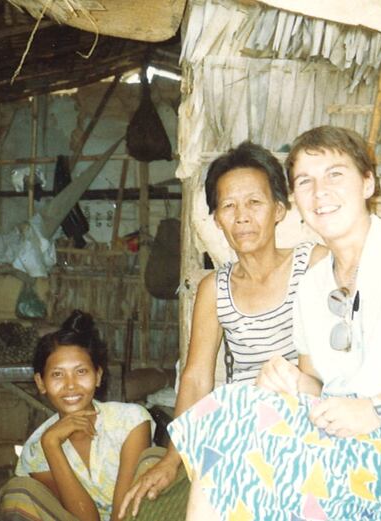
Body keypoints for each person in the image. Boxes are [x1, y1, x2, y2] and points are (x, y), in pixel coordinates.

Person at [168, 126, 381, 520]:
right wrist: (291, 383)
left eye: (334, 174)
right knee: (234, 406)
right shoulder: (312, 286)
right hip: (350, 433)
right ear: (296, 199)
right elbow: (317, 387)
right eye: (305, 181)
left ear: (367, 182)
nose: (319, 192)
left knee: (262, 466)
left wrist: (374, 411)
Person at [120, 142, 325, 518]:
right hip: (239, 422)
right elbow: (196, 379)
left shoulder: (312, 264)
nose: (241, 217)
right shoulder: (214, 289)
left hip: (304, 415)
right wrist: (171, 458)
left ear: (279, 209)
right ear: (216, 218)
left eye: (254, 203)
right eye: (228, 206)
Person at [0, 310, 154, 521]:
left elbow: (123, 514)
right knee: (19, 493)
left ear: (98, 376)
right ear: (40, 383)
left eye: (81, 372)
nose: (70, 385)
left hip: (136, 518)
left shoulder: (130, 421)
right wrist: (51, 444)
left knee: (154, 459)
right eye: (57, 374)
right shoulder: (38, 448)